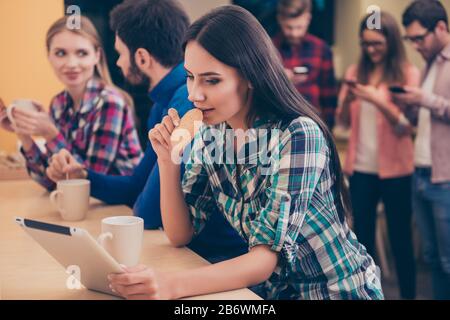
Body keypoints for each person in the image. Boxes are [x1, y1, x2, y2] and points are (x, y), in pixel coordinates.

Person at [108, 5, 384, 300]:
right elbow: (179, 233)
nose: (194, 94)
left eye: (211, 80)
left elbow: (264, 260)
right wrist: (167, 160)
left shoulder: (298, 134)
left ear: (250, 76)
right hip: (276, 293)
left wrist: (170, 285)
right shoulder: (210, 133)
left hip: (335, 292)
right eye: (190, 76)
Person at [46, 0, 248, 263]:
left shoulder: (187, 106)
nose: (117, 62)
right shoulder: (161, 104)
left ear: (141, 57)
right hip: (192, 254)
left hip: (213, 259)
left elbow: (147, 213)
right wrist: (83, 175)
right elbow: (136, 186)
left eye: (119, 53)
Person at [0, 16, 142, 190]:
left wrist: (50, 133)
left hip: (122, 210)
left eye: (82, 53)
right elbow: (52, 182)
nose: (71, 64)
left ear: (96, 56)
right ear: (49, 56)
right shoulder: (58, 104)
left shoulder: (110, 103)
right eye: (61, 53)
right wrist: (23, 134)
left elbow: (86, 182)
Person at [336, 12, 421, 300]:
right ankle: (371, 294)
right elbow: (343, 122)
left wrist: (376, 100)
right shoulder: (353, 73)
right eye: (365, 44)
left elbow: (408, 126)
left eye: (377, 43)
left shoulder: (407, 74)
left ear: (392, 41)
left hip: (397, 170)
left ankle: (408, 294)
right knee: (363, 241)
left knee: (400, 241)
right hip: (361, 170)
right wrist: (348, 100)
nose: (371, 49)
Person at [393, 0, 450, 300]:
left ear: (441, 27)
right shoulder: (429, 63)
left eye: (419, 37)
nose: (415, 45)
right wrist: (412, 105)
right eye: (410, 39)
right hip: (422, 173)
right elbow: (426, 120)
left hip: (445, 178)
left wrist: (425, 99)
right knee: (431, 259)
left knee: (447, 261)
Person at [272, 0, 338, 129]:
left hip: (313, 126)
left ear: (308, 19)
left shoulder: (322, 49)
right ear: (280, 19)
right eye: (289, 27)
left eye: (299, 27)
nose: (294, 33)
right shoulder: (268, 48)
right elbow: (257, 95)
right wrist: (279, 80)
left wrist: (329, 131)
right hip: (277, 126)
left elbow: (329, 97)